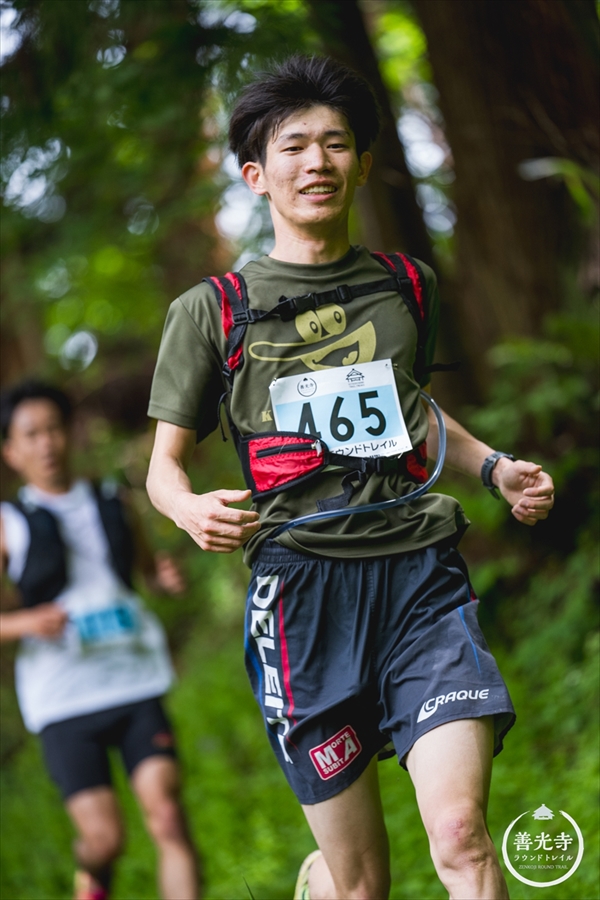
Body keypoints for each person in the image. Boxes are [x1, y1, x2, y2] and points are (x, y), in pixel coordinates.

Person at [145, 55, 555, 900]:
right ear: (256, 175)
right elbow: (162, 470)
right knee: (362, 883)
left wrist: (493, 468)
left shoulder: (406, 285)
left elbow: (413, 410)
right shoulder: (212, 310)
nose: (317, 162)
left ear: (363, 164)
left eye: (335, 144)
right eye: (294, 146)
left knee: (462, 835)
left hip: (419, 579)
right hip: (302, 597)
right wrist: (186, 509)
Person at [0, 381, 200, 900]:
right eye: (31, 434)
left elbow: (145, 573)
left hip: (134, 678)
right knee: (104, 840)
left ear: (71, 433)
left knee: (168, 815)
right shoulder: (8, 523)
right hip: (63, 696)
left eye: (54, 429)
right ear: (11, 451)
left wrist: (164, 579)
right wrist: (26, 623)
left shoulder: (114, 500)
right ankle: (94, 876)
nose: (47, 443)